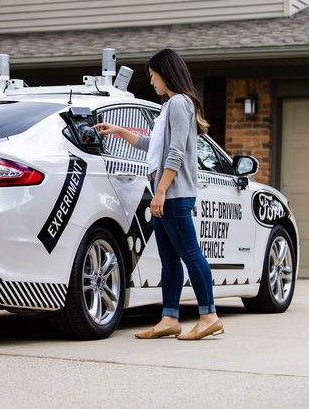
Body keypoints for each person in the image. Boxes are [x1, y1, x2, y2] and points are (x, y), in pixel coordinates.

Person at [94, 48, 224, 340]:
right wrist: (118, 131)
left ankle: (209, 315)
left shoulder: (179, 103)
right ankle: (169, 319)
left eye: (153, 75)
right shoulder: (168, 106)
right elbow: (152, 145)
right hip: (165, 190)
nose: (151, 81)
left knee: (190, 253)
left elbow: (175, 152)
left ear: (166, 73)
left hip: (173, 193)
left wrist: (161, 191)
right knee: (169, 259)